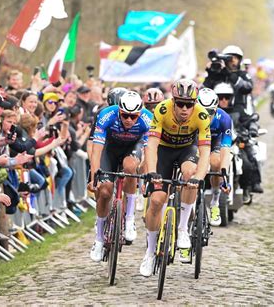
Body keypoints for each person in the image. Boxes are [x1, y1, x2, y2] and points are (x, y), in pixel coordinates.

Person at [140, 79, 211, 276]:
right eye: (180, 103)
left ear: (195, 103)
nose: (184, 109)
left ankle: (182, 229)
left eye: (189, 104)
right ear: (173, 101)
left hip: (186, 151)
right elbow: (152, 144)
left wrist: (199, 176)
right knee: (156, 201)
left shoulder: (202, 115)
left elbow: (205, 151)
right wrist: (152, 171)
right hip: (163, 151)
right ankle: (150, 252)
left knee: (190, 175)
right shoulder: (162, 110)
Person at [88, 91, 152, 262]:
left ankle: (130, 219)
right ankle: (99, 238)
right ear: (118, 111)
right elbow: (96, 151)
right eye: (125, 115)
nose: (129, 120)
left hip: (133, 148)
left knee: (130, 167)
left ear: (139, 113)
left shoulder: (147, 119)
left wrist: (145, 177)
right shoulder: (106, 115)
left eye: (133, 116)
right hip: (109, 150)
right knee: (105, 192)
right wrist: (94, 176)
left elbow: (148, 153)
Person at [197, 88, 232, 226]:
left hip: (215, 142)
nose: (206, 116)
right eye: (202, 111)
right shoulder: (190, 116)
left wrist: (224, 172)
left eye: (210, 112)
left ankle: (215, 201)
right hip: (197, 142)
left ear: (216, 108)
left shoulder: (224, 118)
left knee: (216, 163)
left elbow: (226, 147)